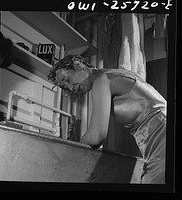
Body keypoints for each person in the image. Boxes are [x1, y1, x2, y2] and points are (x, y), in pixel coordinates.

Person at [47, 54, 166, 184]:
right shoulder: (111, 74)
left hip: (161, 135)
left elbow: (96, 137)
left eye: (67, 79)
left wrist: (70, 153)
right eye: (65, 87)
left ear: (78, 65)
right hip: (159, 133)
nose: (71, 88)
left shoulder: (102, 80)